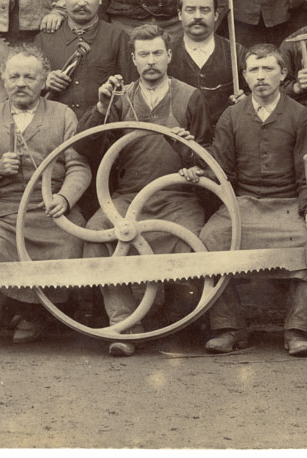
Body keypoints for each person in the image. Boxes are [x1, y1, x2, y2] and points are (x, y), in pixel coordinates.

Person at [77, 24, 214, 357]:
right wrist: (101, 106)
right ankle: (126, 325)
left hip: (177, 197)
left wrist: (191, 157)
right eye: (143, 55)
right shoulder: (120, 98)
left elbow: (209, 154)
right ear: (133, 60)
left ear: (168, 56)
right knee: (95, 236)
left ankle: (175, 327)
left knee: (192, 243)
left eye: (157, 53)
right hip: (128, 197)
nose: (151, 61)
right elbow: (86, 147)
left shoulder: (189, 96)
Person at [193, 45, 307, 356]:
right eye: (253, 70)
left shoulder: (302, 116)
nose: (260, 77)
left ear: (283, 74)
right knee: (211, 237)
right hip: (243, 203)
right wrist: (197, 166)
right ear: (244, 77)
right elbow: (222, 169)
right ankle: (228, 327)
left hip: (286, 204)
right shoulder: (232, 115)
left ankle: (297, 330)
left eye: (268, 69)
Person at [0, 46, 90, 344]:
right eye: (14, 76)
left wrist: (65, 199)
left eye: (29, 77)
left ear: (44, 80)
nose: (21, 83)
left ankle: (33, 314)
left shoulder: (63, 116)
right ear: (3, 80)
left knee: (69, 246)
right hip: (1, 212)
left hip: (50, 209)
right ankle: (0, 310)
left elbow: (79, 167)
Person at [34, 0, 135, 120]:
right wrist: (45, 82)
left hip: (103, 130)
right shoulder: (44, 39)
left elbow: (131, 92)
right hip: (55, 127)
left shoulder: (118, 38)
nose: (82, 2)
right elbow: (27, 87)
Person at [167, 0, 247, 125]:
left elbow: (256, 95)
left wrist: (246, 100)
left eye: (205, 10)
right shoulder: (166, 54)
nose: (197, 16)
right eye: (190, 10)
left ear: (216, 15)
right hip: (179, 137)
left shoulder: (237, 52)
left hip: (225, 136)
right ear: (180, 15)